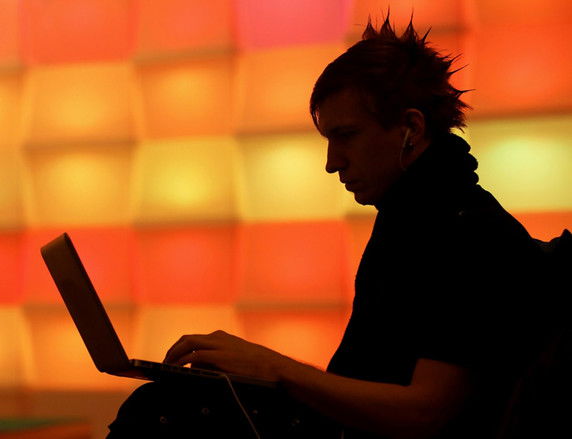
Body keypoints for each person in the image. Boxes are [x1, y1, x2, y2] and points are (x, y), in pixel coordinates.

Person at [107, 18, 550, 439]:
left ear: (411, 128)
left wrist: (274, 368)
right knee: (167, 404)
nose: (332, 162)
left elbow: (425, 412)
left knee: (162, 414)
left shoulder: (467, 234)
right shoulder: (412, 219)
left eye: (346, 136)